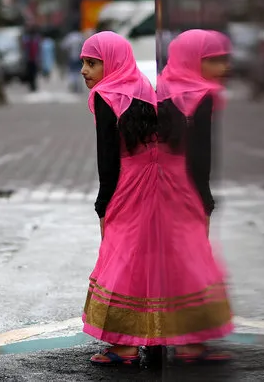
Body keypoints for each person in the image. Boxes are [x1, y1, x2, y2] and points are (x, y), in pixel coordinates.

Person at [81, 31, 233, 366]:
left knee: (127, 256)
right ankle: (190, 343)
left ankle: (126, 346)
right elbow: (198, 154)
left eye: (91, 62)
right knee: (183, 255)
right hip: (178, 185)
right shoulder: (180, 93)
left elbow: (107, 157)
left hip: (129, 184)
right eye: (213, 59)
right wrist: (204, 199)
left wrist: (103, 203)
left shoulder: (113, 95)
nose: (84, 70)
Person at [61, 28, 85, 93]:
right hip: (79, 57)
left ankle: (73, 85)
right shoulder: (80, 36)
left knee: (72, 72)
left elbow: (63, 46)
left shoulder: (69, 37)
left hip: (71, 57)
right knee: (79, 72)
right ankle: (78, 85)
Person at [21, 25, 41, 91]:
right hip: (29, 59)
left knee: (33, 73)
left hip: (33, 59)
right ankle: (32, 85)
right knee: (30, 73)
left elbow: (38, 49)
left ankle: (33, 85)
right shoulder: (27, 39)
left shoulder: (35, 39)